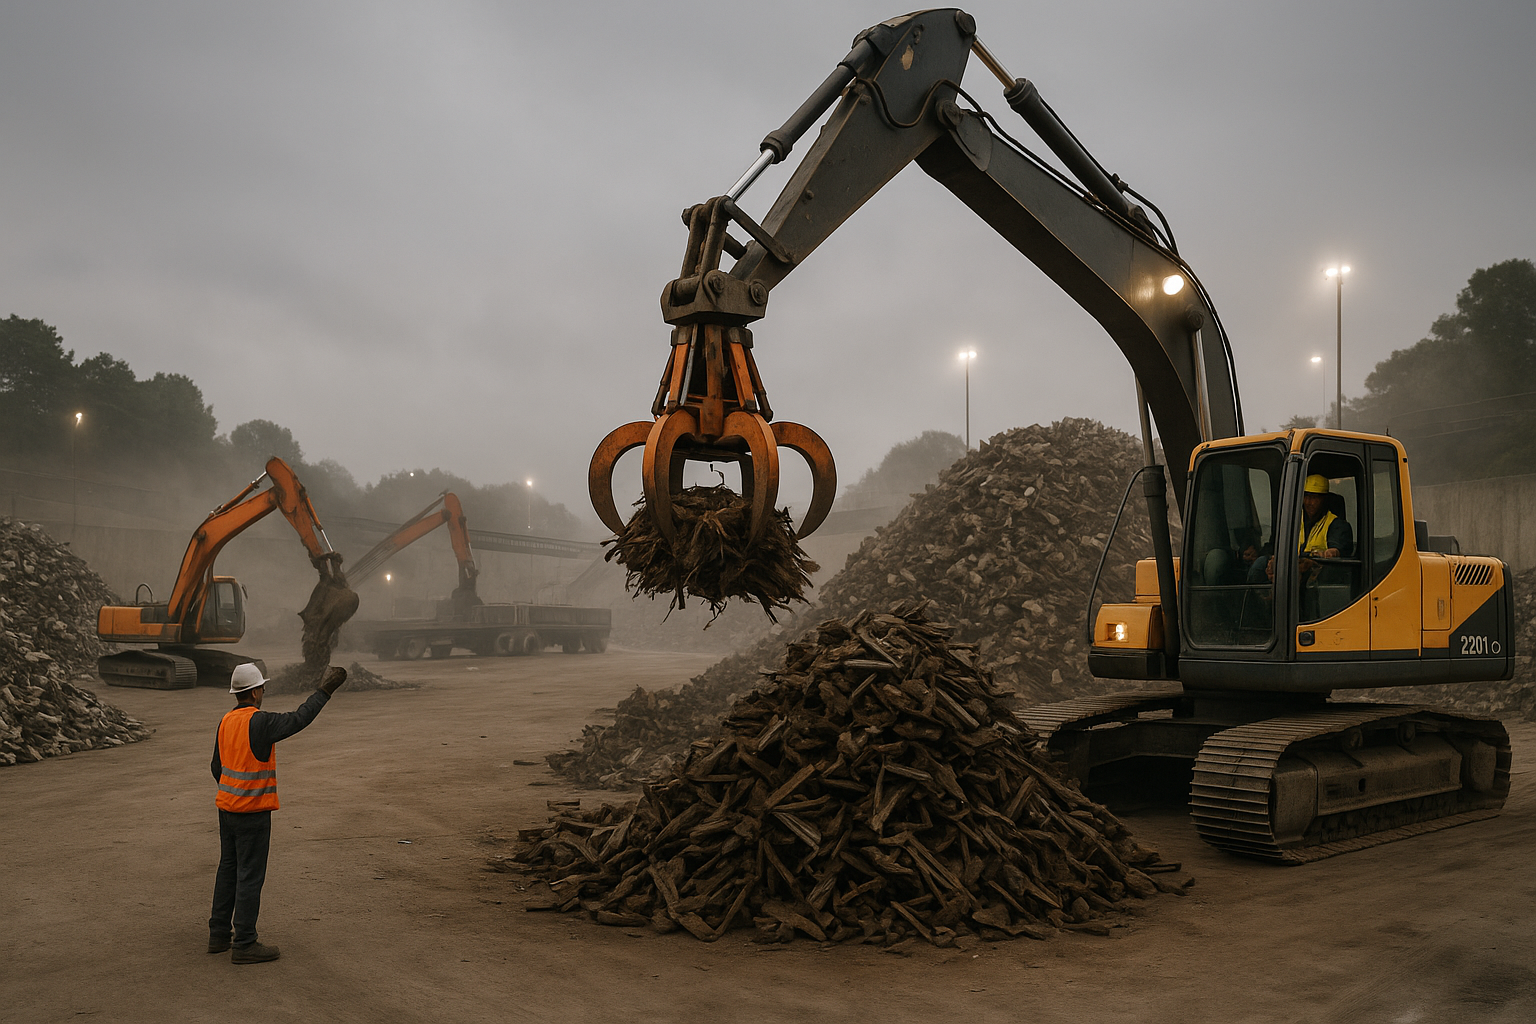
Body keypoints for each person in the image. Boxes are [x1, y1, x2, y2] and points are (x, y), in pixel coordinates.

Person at [208, 662, 347, 964]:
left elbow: (216, 767)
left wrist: (233, 792)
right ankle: (244, 943)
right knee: (249, 876)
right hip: (252, 813)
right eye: (262, 688)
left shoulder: (226, 721)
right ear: (256, 691)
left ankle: (218, 935)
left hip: (227, 810)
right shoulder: (260, 722)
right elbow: (299, 719)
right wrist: (324, 691)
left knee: (228, 870)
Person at [1264, 473, 1353, 585]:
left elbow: (1336, 549)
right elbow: (1275, 544)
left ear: (1325, 499)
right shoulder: (1292, 521)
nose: (1309, 502)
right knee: (1259, 564)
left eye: (1314, 498)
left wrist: (1330, 553)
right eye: (1306, 497)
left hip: (1316, 576)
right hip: (1290, 569)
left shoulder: (1337, 525)